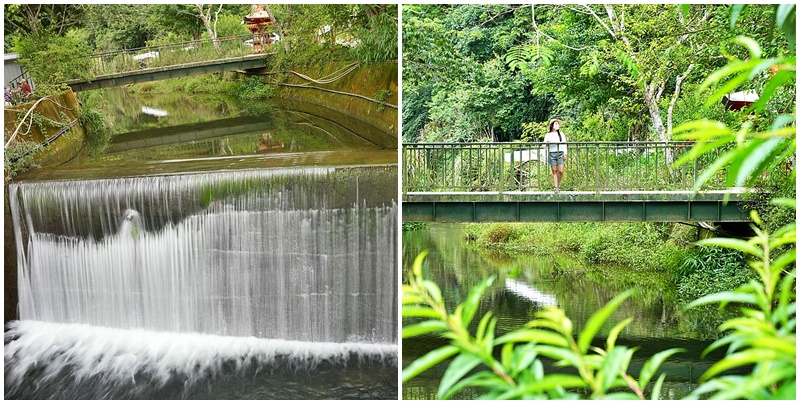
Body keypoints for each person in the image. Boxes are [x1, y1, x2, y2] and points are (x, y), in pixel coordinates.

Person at [543, 118, 567, 193]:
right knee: (554, 171)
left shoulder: (561, 134)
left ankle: (558, 185)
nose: (557, 125)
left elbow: (564, 144)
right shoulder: (548, 135)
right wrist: (547, 143)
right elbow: (544, 146)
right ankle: (556, 187)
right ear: (552, 125)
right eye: (555, 124)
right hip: (552, 153)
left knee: (561, 171)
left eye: (557, 124)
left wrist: (565, 153)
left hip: (560, 153)